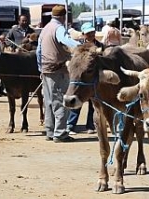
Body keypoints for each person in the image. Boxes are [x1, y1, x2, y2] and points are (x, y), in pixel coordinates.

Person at [36, 5, 81, 143]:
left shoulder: (45, 29)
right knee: (61, 101)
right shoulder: (59, 28)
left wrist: (40, 68)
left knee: (49, 102)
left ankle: (50, 131)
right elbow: (66, 40)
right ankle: (60, 133)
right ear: (63, 17)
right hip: (58, 70)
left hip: (46, 70)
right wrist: (80, 47)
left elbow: (38, 51)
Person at [67, 22, 102, 135]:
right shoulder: (78, 47)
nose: (91, 34)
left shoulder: (100, 46)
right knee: (77, 101)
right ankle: (71, 125)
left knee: (93, 104)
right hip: (80, 80)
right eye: (88, 33)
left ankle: (90, 126)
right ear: (83, 34)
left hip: (93, 80)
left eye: (92, 32)